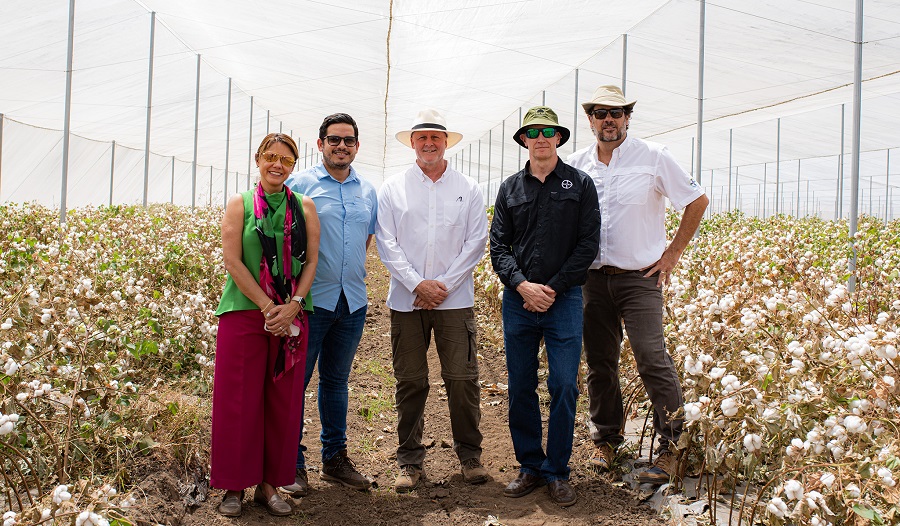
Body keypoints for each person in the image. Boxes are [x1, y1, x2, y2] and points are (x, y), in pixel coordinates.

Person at [567, 85, 709, 484]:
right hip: (593, 280)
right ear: (590, 119)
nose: (608, 119)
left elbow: (696, 200)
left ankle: (674, 448)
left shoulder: (655, 157)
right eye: (600, 113)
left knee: (652, 358)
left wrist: (673, 252)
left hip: (640, 279)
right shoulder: (577, 165)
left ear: (628, 117)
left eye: (616, 112)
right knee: (600, 362)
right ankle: (607, 440)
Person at [490, 106, 600, 507]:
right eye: (532, 131)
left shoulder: (580, 184)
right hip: (519, 301)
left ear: (558, 138)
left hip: (564, 300)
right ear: (523, 140)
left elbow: (588, 244)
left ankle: (557, 470)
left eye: (548, 131)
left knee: (564, 385)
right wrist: (522, 285)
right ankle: (529, 466)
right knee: (521, 384)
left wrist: (550, 288)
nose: (540, 137)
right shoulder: (509, 189)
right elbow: (498, 246)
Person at [375, 109, 489, 493]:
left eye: (435, 138)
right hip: (406, 301)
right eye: (421, 137)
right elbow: (386, 243)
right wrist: (416, 284)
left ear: (446, 143)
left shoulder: (468, 188)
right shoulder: (392, 188)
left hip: (454, 301)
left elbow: (476, 243)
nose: (428, 143)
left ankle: (470, 456)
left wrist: (441, 285)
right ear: (412, 143)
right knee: (410, 380)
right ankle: (409, 460)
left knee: (462, 378)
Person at [210, 133, 320, 517]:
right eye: (271, 157)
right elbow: (233, 260)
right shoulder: (239, 204)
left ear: (294, 165)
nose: (278, 164)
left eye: (286, 159)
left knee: (282, 402)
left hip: (290, 317)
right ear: (257, 159)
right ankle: (233, 487)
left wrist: (292, 305)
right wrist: (267, 305)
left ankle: (270, 486)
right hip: (244, 313)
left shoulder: (304, 206)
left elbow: (310, 264)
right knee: (238, 401)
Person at [281, 113, 376, 496]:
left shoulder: (367, 190)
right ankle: (293, 462)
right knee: (296, 384)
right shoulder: (299, 185)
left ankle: (335, 459)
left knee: (336, 383)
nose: (341, 146)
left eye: (348, 140)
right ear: (320, 145)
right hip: (309, 304)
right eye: (333, 140)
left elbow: (365, 239)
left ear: (356, 146)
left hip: (352, 302)